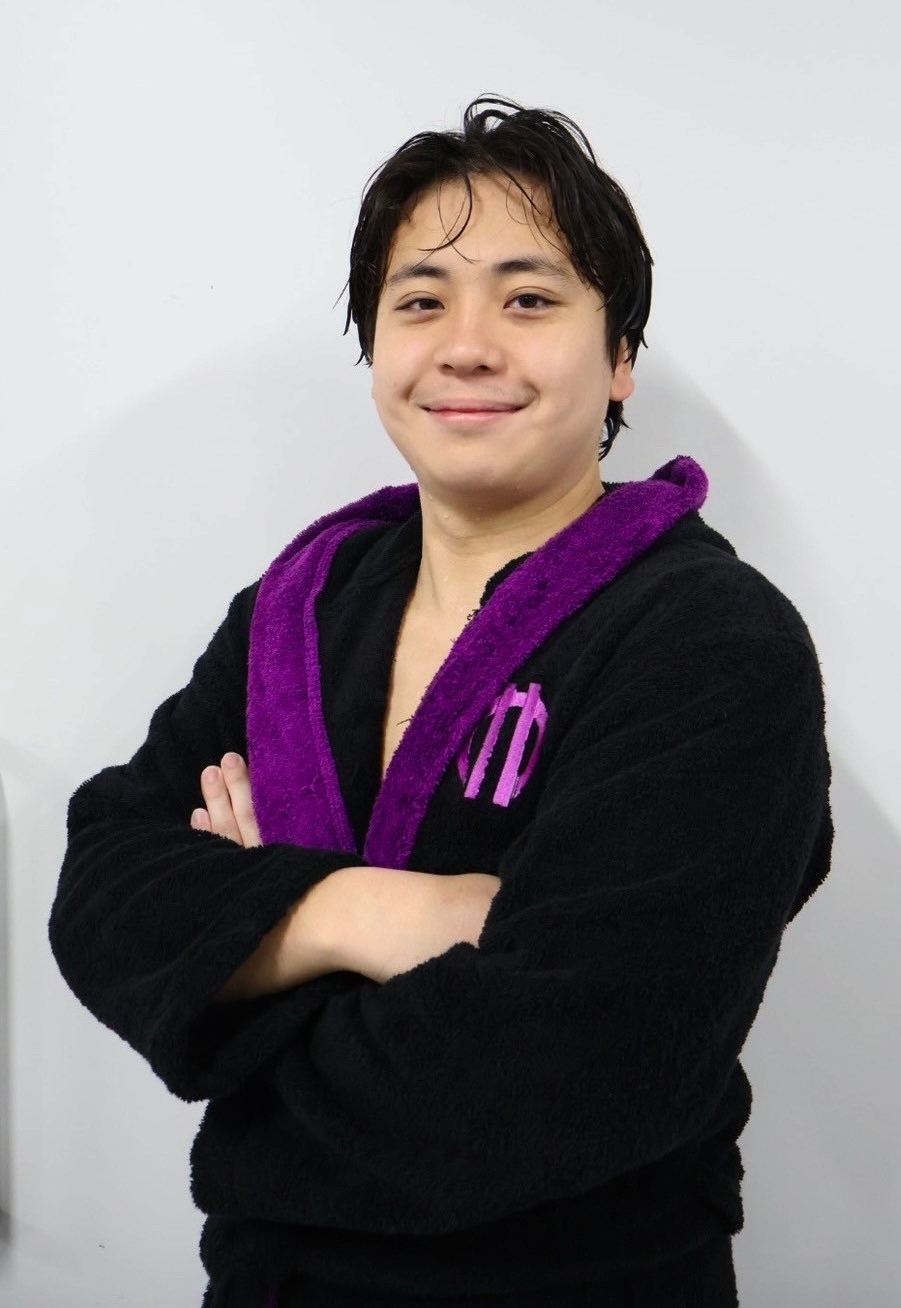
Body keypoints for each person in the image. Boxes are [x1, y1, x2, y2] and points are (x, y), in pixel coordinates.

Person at [48, 94, 833, 1308]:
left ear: (620, 357)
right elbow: (103, 894)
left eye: (528, 299)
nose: (465, 346)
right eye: (420, 301)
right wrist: (365, 910)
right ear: (376, 346)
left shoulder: (713, 645)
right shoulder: (299, 608)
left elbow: (568, 1073)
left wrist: (240, 974)